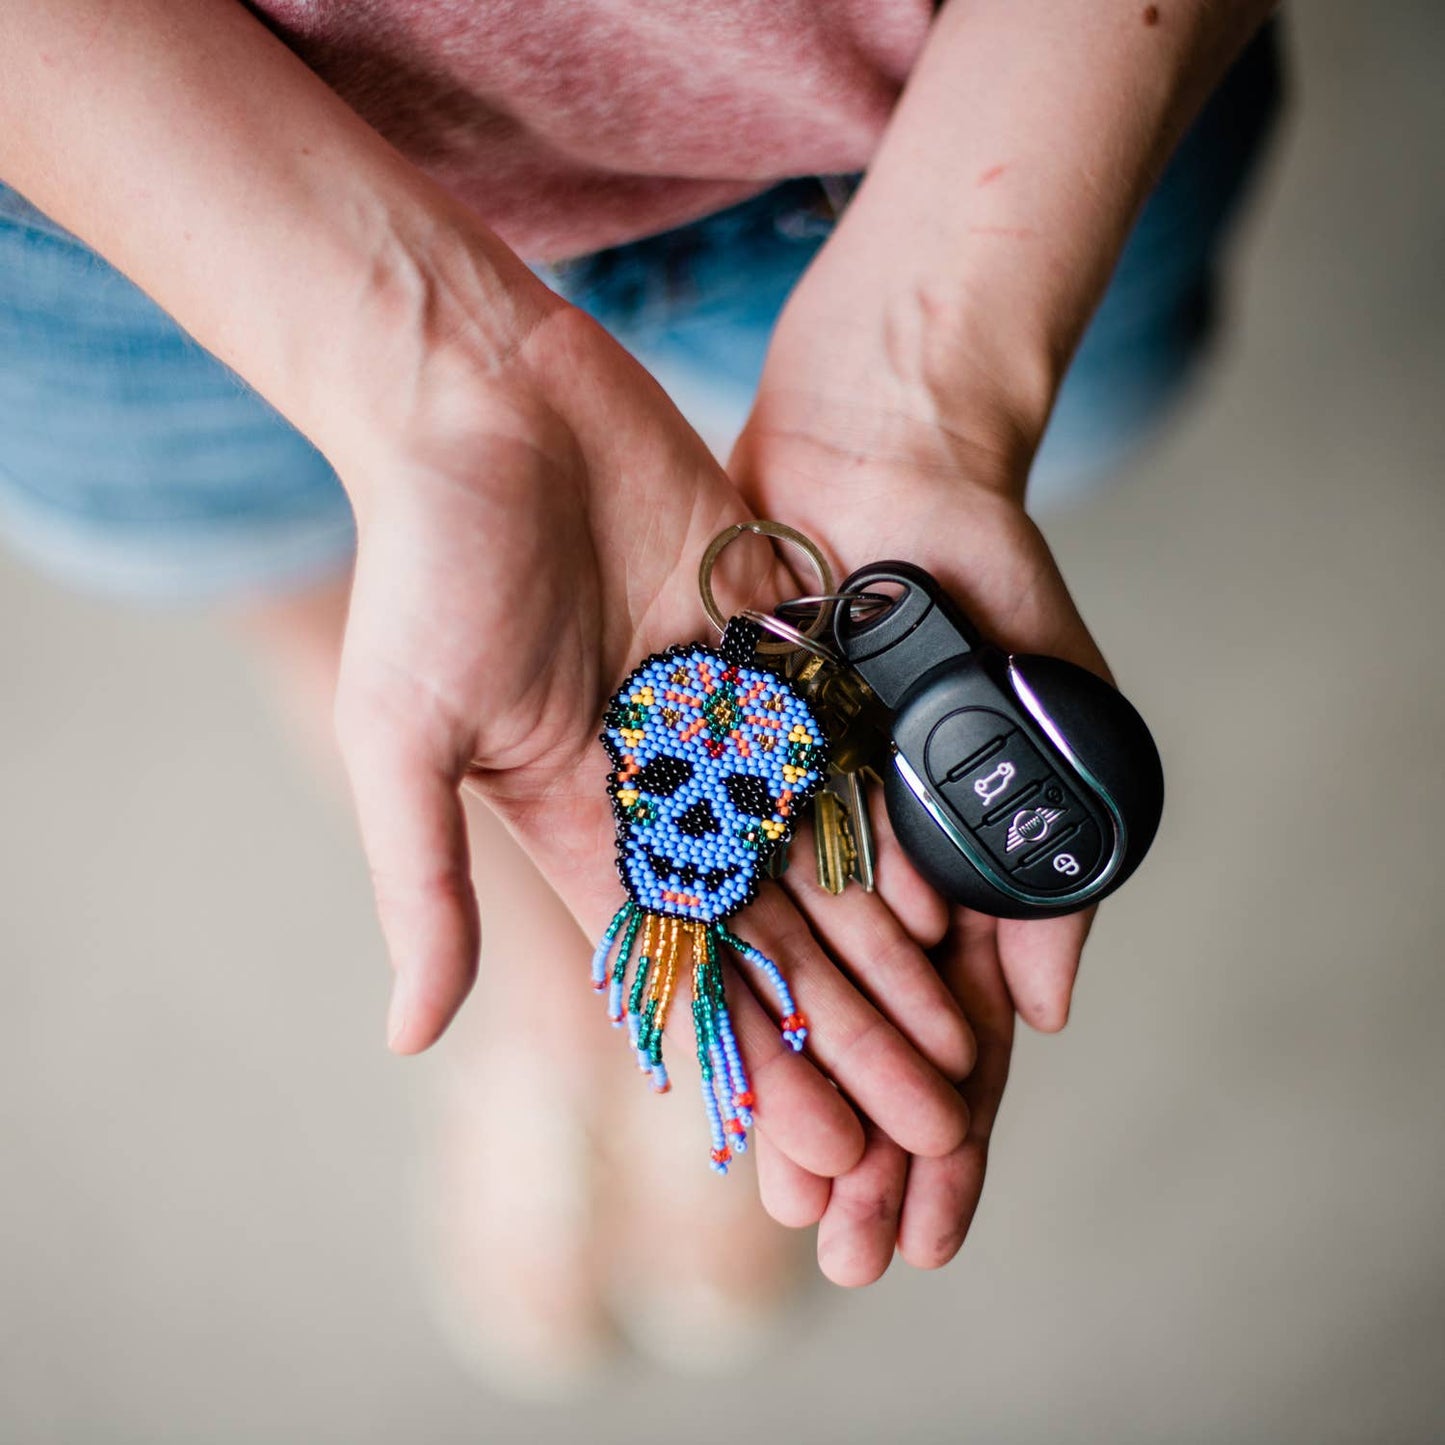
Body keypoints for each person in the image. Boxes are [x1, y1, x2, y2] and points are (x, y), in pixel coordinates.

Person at [0, 0, 1281, 1385]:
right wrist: (416, 367)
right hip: (150, 187)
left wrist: (937, 363)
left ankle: (648, 1037)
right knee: (366, 620)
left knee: (469, 649)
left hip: (987, 142)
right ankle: (557, 1005)